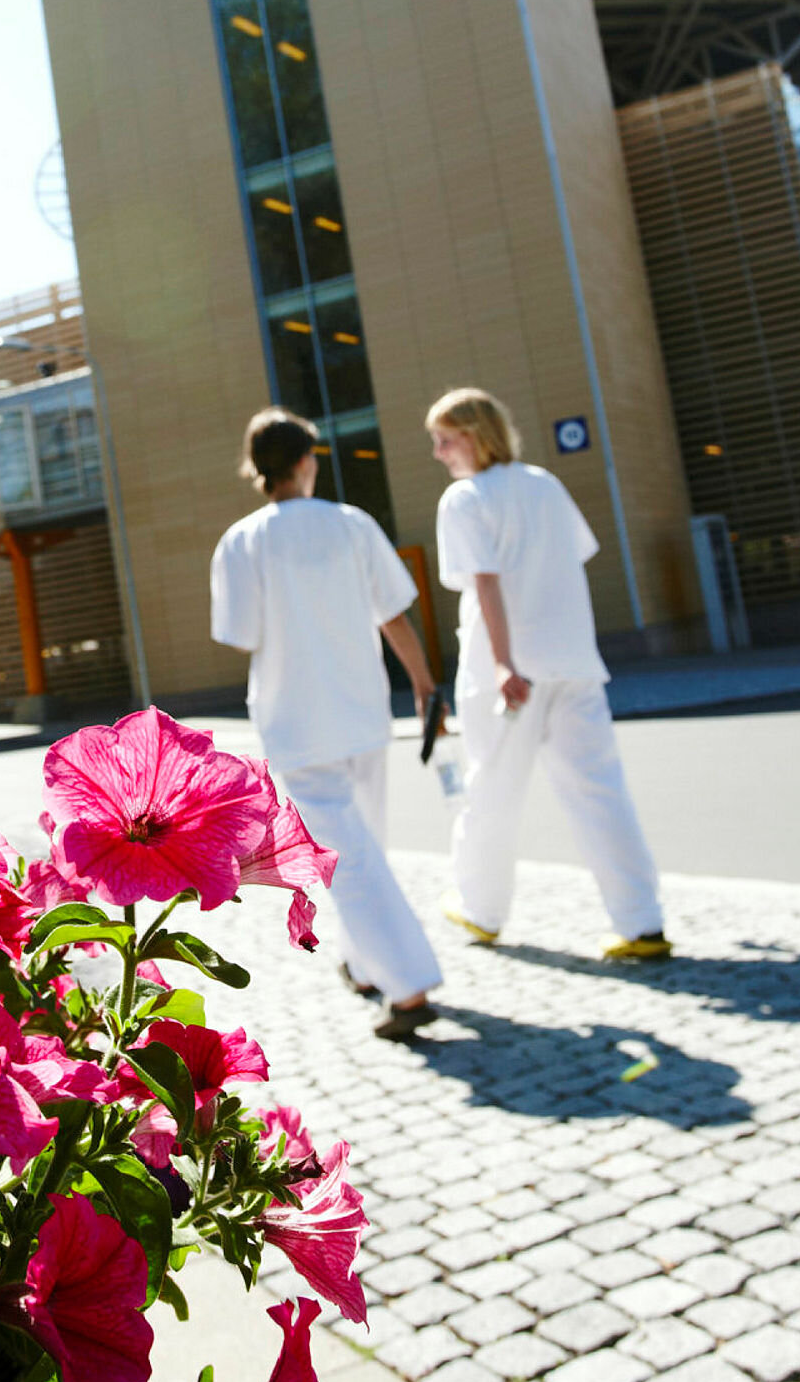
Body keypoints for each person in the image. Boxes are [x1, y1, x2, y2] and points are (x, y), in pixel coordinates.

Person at [210, 408, 444, 1040]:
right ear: (307, 461)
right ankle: (369, 968)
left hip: (296, 722)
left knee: (351, 858)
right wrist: (423, 682)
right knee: (367, 847)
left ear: (259, 470)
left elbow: (240, 636)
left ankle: (408, 985)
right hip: (364, 713)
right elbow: (393, 613)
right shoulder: (352, 524)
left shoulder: (242, 540)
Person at [426, 386, 670, 961]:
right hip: (575, 662)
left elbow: (484, 581)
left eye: (443, 438)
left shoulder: (464, 500)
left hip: (507, 673)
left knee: (492, 792)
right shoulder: (545, 484)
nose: (437, 452)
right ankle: (642, 922)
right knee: (601, 792)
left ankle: (480, 909)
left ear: (473, 436)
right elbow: (571, 558)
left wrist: (505, 661)